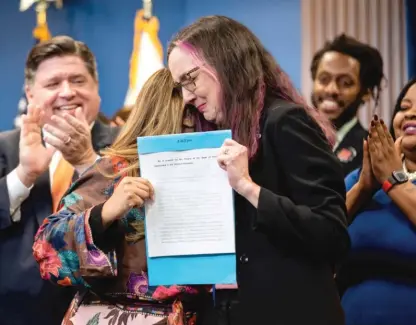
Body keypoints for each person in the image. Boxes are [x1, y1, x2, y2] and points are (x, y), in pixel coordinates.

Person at [168, 15, 350, 325]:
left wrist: (249, 188)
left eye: (190, 79)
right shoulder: (223, 134)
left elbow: (330, 231)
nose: (186, 96)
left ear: (224, 63)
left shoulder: (284, 121)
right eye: (179, 86)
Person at [33, 68, 206, 325]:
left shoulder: (225, 167)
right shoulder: (115, 170)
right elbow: (46, 249)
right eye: (190, 113)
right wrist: (104, 214)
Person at [0, 36, 118, 325]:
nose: (67, 92)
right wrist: (24, 175)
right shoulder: (5, 148)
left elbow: (138, 223)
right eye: (53, 84)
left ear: (96, 88)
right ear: (30, 94)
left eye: (78, 80)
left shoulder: (127, 144)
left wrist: (87, 162)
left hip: (106, 311)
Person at [337, 78, 416, 325]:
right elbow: (318, 238)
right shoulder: (362, 179)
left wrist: (395, 181)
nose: (410, 114)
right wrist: (363, 188)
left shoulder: (392, 180)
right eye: (404, 107)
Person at [311, 34, 384, 176]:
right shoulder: (294, 139)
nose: (331, 90)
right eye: (324, 79)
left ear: (366, 93)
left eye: (345, 83)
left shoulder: (371, 150)